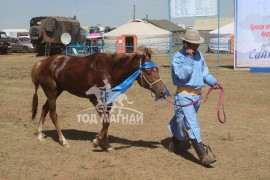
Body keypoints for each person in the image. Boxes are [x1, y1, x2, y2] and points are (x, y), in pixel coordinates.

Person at [168, 29, 220, 166]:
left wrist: (214, 82)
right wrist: (189, 58)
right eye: (193, 44)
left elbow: (204, 73)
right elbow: (182, 75)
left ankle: (174, 143)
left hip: (197, 97)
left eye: (197, 44)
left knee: (183, 124)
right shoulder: (178, 57)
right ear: (186, 43)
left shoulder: (200, 55)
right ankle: (203, 155)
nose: (196, 46)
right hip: (183, 96)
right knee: (192, 124)